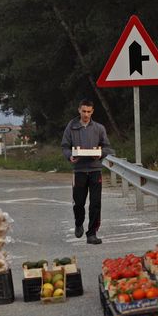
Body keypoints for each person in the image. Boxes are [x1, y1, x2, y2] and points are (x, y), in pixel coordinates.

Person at [61, 99, 114, 244]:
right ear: (79, 110)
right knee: (78, 203)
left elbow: (108, 148)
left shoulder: (99, 128)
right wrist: (69, 156)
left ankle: (92, 233)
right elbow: (65, 147)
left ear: (92, 112)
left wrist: (100, 153)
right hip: (79, 171)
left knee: (95, 203)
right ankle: (79, 223)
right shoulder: (71, 127)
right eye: (83, 111)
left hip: (95, 170)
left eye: (89, 112)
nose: (86, 114)